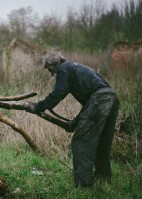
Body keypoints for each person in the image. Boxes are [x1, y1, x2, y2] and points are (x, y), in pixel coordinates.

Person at [27, 52, 119, 188]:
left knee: (81, 141)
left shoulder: (64, 69)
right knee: (102, 145)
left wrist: (38, 107)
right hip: (112, 99)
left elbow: (58, 93)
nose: (52, 75)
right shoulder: (76, 68)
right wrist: (75, 123)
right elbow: (90, 103)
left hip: (100, 100)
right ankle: (104, 180)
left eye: (51, 70)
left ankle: (83, 186)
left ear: (57, 63)